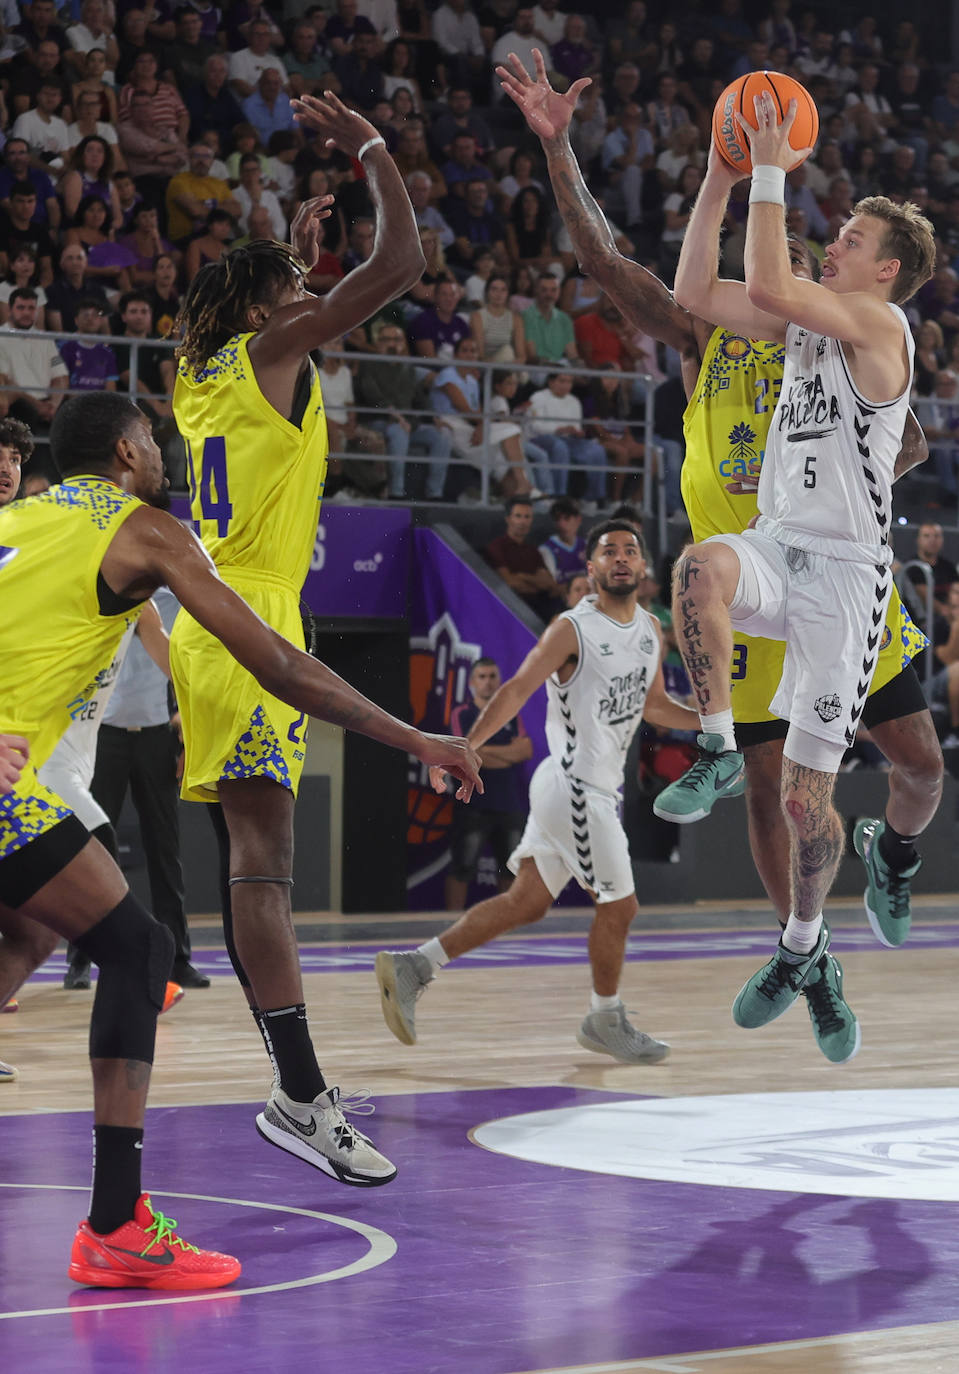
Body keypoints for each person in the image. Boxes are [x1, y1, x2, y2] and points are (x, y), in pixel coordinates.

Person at [498, 49, 943, 1060]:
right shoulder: (741, 331)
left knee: (890, 772)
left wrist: (773, 168)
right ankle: (802, 941)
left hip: (842, 570)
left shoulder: (841, 318)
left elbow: (873, 397)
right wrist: (685, 165)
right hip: (763, 555)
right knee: (756, 770)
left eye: (849, 240)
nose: (830, 247)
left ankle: (886, 862)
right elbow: (653, 274)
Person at [0, 384, 478, 1285]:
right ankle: (114, 1227)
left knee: (26, 930)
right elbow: (277, 662)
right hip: (6, 788)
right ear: (129, 454)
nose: (165, 454)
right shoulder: (145, 532)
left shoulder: (23, 517)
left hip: (20, 780)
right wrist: (414, 737)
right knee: (141, 953)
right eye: (153, 438)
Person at [171, 91, 480, 1188]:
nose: (306, 300)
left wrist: (290, 261)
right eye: (292, 294)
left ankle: (297, 1089)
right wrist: (371, 145)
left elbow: (277, 323)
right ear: (263, 313)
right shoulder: (270, 346)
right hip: (249, 612)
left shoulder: (199, 372)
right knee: (263, 868)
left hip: (216, 615)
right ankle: (300, 1095)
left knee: (256, 865)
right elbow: (400, 263)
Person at [376, 520, 699, 1059]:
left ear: (643, 569)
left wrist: (710, 722)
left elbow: (654, 705)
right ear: (590, 568)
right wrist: (466, 746)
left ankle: (414, 966)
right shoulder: (571, 629)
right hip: (574, 787)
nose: (621, 558)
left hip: (590, 791)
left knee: (525, 903)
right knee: (620, 908)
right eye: (608, 551)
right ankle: (605, 1018)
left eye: (630, 551)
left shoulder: (649, 630)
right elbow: (517, 686)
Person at [444, 656, 532, 910]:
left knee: (510, 868)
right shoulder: (462, 713)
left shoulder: (511, 714)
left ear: (500, 680)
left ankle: (505, 923)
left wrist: (482, 751)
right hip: (473, 804)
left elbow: (525, 750)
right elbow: (462, 753)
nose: (488, 682)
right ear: (472, 682)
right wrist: (506, 753)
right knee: (463, 865)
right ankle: (451, 923)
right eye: (482, 677)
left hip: (509, 802)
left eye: (492, 676)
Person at [354, 323, 452, 500]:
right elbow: (372, 396)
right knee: (398, 432)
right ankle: (396, 493)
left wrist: (433, 418)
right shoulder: (368, 364)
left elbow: (420, 398)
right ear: (378, 343)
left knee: (442, 435)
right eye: (386, 340)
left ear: (404, 343)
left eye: (397, 339)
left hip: (407, 423)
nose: (392, 344)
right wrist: (395, 416)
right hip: (377, 422)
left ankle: (435, 494)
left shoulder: (408, 368)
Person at [483, 494, 561, 619]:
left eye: (527, 517)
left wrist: (523, 577)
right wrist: (536, 583)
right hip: (511, 610)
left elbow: (549, 583)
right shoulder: (497, 547)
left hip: (541, 608)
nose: (523, 521)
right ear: (508, 519)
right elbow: (510, 582)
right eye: (518, 516)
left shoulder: (533, 550)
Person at [537, 495, 586, 585]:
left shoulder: (587, 546)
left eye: (566, 518)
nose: (561, 524)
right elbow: (552, 587)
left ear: (578, 520)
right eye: (557, 519)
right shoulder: (546, 550)